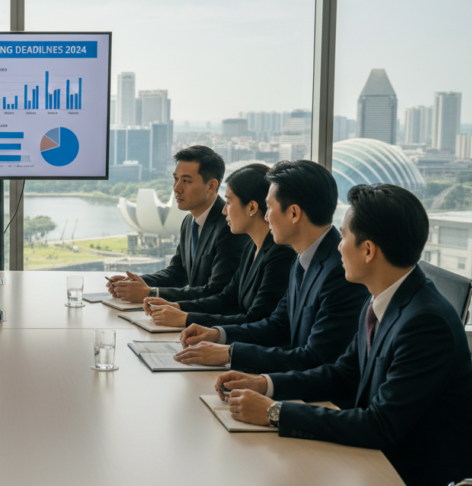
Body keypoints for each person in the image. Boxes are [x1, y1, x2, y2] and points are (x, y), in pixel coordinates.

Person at [214, 184, 472, 486]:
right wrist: (265, 384)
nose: (337, 247)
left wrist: (273, 412)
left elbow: (380, 426)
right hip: (388, 462)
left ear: (368, 250)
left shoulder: (425, 324)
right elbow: (342, 374)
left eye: (345, 237)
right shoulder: (383, 298)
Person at [173, 160, 368, 374]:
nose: (266, 216)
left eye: (270, 208)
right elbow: (277, 325)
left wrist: (230, 354)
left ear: (293, 213)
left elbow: (316, 358)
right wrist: (217, 334)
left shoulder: (339, 272)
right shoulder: (303, 258)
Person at [142, 163, 296, 328]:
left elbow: (257, 319)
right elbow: (227, 299)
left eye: (228, 202)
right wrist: (177, 307)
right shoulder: (252, 247)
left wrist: (185, 318)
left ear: (251, 207)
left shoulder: (280, 254)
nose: (224, 211)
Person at [107, 145, 247, 303]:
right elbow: (177, 273)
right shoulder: (189, 222)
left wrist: (151, 294)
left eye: (186, 181)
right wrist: (132, 283)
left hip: (210, 322)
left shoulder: (230, 226)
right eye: (175, 179)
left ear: (211, 186)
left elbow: (217, 291)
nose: (176, 188)